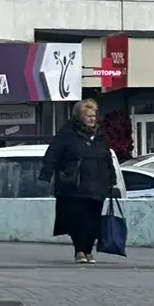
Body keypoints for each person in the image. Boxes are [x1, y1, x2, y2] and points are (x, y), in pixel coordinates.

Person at [40, 99, 122, 265]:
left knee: (93, 220)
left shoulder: (99, 136)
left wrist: (112, 180)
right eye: (88, 116)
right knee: (78, 220)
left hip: (97, 184)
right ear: (79, 117)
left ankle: (89, 251)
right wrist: (46, 175)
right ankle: (80, 251)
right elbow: (53, 154)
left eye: (94, 116)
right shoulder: (67, 133)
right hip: (74, 185)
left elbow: (107, 159)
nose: (92, 119)